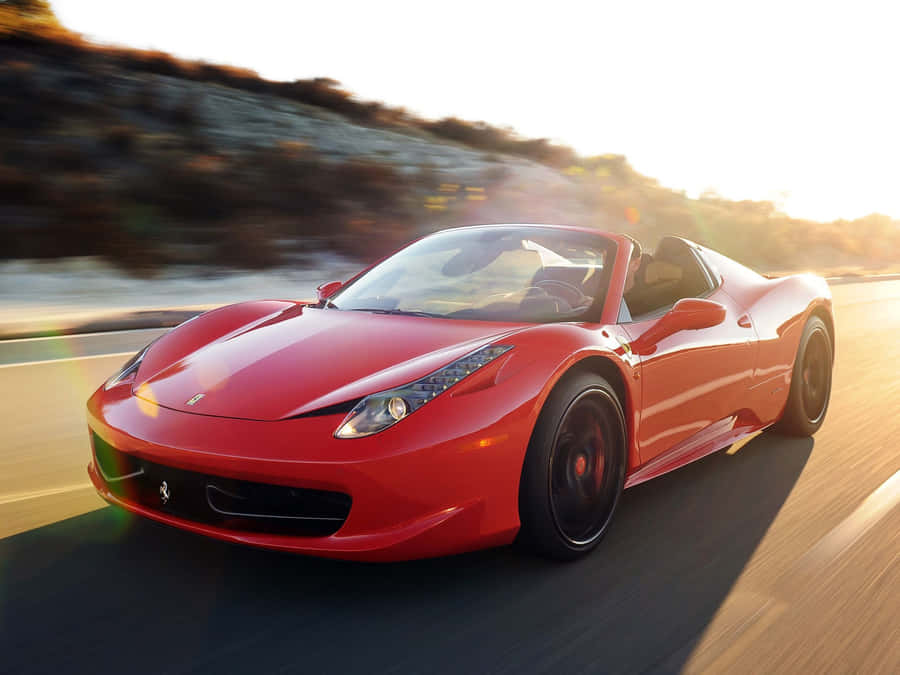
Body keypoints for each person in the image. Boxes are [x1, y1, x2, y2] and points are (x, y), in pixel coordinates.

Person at [619, 235, 643, 322]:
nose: (607, 265)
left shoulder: (642, 301)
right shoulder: (593, 285)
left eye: (617, 259)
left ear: (636, 264)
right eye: (605, 259)